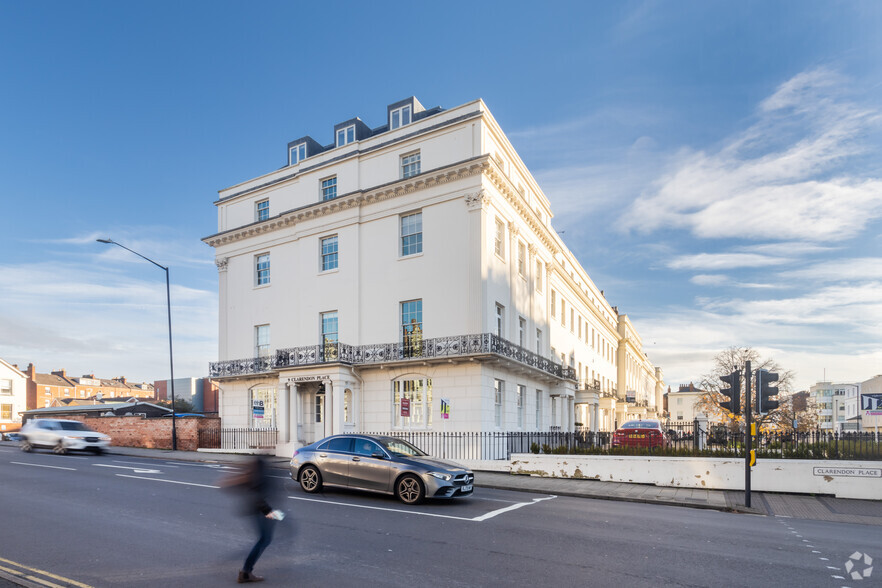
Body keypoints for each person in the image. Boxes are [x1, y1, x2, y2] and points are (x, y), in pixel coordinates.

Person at [227, 456, 278, 583]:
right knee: (264, 539)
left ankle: (246, 571)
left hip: (261, 508)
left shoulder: (260, 463)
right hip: (260, 510)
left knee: (265, 539)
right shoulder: (260, 464)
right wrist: (269, 511)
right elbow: (256, 492)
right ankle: (245, 572)